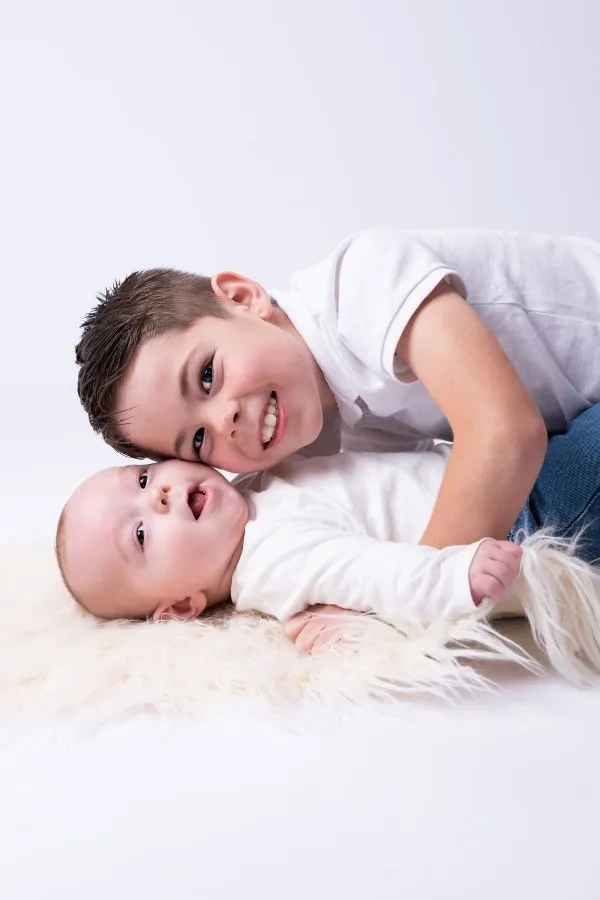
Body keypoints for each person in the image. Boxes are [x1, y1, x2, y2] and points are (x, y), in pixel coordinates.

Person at [75, 228, 600, 553]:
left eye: (207, 376)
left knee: (547, 507)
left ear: (242, 297)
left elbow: (504, 434)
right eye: (196, 442)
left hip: (545, 418)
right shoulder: (319, 431)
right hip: (577, 418)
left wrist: (415, 597)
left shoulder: (362, 282)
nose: (223, 422)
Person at [55, 407, 600, 672]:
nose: (160, 497)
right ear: (179, 606)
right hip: (536, 510)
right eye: (143, 534)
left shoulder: (250, 486)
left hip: (509, 462)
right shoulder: (271, 561)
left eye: (144, 479)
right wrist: (455, 577)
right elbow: (375, 574)